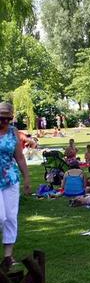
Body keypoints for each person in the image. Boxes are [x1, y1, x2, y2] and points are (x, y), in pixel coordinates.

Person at [0, 103, 31, 270]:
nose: (4, 121)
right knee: (0, 217)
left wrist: (26, 178)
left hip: (11, 179)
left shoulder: (13, 132)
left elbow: (19, 157)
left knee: (11, 217)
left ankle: (8, 256)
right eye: (1, 118)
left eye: (8, 118)